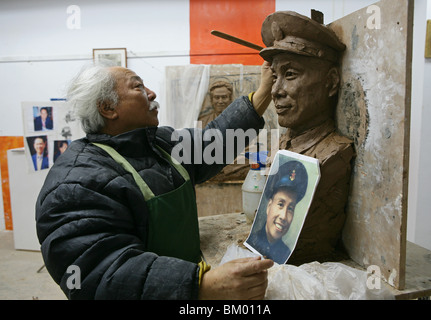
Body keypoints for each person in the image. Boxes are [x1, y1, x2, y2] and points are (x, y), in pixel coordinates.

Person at [35, 61, 274, 300]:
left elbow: (214, 142)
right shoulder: (75, 184)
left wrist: (264, 91)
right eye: (138, 87)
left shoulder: (160, 144)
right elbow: (99, 273)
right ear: (108, 108)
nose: (152, 93)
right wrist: (199, 285)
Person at [259, 11, 355, 264]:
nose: (276, 91)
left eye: (290, 75)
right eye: (275, 76)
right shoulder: (284, 145)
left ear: (331, 82)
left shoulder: (334, 153)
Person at [246, 160, 307, 264]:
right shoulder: (253, 242)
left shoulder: (286, 253)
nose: (283, 216)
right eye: (280, 204)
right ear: (269, 206)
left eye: (290, 208)